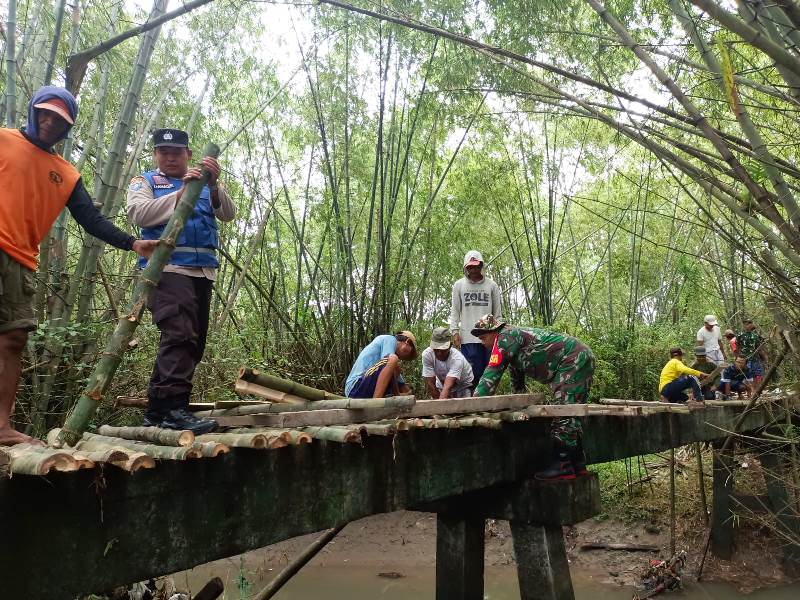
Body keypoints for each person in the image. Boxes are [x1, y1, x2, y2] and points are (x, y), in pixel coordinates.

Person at [0, 86, 158, 446]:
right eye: (44, 113)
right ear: (32, 111)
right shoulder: (3, 140)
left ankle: (1, 427)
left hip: (21, 260)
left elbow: (90, 219)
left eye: (59, 120)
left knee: (12, 339)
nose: (49, 122)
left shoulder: (66, 174)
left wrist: (133, 242)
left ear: (67, 128)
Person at [127, 128, 235, 434]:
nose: (170, 157)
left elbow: (228, 214)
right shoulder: (146, 181)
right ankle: (175, 410)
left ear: (188, 154)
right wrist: (179, 195)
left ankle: (158, 410)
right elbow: (138, 214)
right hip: (167, 270)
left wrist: (213, 186)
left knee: (193, 342)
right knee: (180, 334)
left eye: (176, 152)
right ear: (156, 155)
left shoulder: (203, 182)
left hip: (202, 272)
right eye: (164, 152)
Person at [470, 314, 594, 480]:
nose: (483, 343)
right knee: (572, 411)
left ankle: (562, 464)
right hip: (578, 356)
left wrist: (473, 404)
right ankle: (577, 463)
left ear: (494, 331)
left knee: (565, 411)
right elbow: (517, 374)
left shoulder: (505, 338)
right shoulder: (512, 338)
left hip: (573, 359)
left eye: (484, 338)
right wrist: (518, 400)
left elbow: (491, 373)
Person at [449, 250, 502, 384]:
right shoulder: (459, 285)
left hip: (489, 336)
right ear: (466, 267)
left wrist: (498, 334)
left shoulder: (492, 285)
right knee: (472, 373)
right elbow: (455, 311)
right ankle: (473, 400)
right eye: (470, 267)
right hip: (468, 337)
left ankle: (488, 401)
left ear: (481, 266)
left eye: (476, 266)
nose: (473, 269)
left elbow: (497, 313)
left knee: (490, 371)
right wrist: (455, 331)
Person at [345, 332, 417, 398]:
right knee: (393, 360)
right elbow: (388, 361)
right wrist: (397, 393)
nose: (404, 357)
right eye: (408, 353)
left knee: (395, 369)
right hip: (355, 387)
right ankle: (377, 401)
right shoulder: (390, 339)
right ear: (407, 342)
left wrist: (406, 392)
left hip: (365, 388)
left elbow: (398, 379)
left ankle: (383, 398)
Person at [421, 326, 474, 399]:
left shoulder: (457, 358)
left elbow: (447, 387)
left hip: (463, 385)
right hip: (442, 385)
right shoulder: (427, 354)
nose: (439, 353)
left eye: (443, 350)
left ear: (450, 346)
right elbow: (431, 384)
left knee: (463, 408)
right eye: (436, 349)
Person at [735, 318, 765, 384]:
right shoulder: (740, 335)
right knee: (747, 376)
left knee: (757, 375)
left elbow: (759, 348)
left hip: (755, 358)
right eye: (747, 324)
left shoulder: (755, 335)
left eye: (750, 323)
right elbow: (737, 347)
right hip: (745, 359)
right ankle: (750, 393)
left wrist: (763, 357)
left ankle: (757, 390)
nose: (749, 325)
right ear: (744, 325)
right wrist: (737, 358)